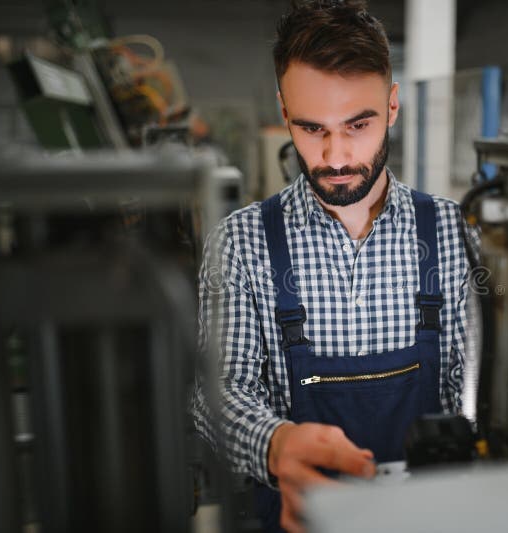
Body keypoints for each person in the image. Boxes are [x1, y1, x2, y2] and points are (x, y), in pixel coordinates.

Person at [192, 1, 475, 531]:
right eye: (312, 129)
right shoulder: (240, 243)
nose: (338, 155)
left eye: (358, 124)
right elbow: (218, 391)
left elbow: (473, 384)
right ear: (284, 114)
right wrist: (274, 443)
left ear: (392, 107)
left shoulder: (452, 233)